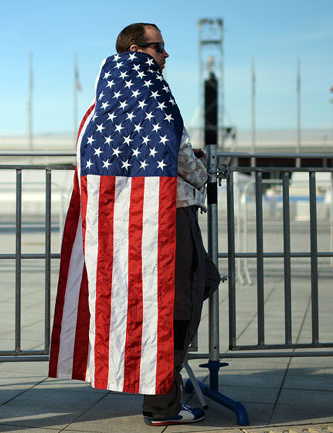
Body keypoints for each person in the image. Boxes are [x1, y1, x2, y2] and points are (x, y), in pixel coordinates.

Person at [116, 22, 221, 426]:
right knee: (179, 303)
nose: (165, 55)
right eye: (159, 48)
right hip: (171, 217)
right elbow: (179, 158)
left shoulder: (111, 97)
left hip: (140, 218)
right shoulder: (154, 96)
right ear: (139, 52)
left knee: (192, 286)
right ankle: (162, 401)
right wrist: (204, 173)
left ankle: (161, 387)